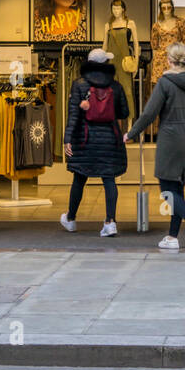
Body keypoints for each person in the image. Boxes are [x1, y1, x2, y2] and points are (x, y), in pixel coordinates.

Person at [124, 41, 185, 253]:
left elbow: (149, 114)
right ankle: (172, 237)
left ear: (169, 60)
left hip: (171, 137)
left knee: (166, 189)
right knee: (177, 188)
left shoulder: (165, 81)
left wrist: (131, 133)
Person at [61, 48, 129, 238]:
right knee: (109, 179)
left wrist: (67, 139)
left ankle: (71, 219)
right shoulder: (115, 86)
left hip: (84, 140)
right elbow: (124, 112)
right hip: (109, 140)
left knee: (79, 179)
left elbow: (73, 114)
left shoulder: (79, 85)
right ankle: (110, 222)